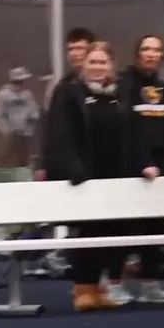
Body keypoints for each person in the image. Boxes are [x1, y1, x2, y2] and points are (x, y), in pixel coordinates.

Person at [45, 41, 134, 311]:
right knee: (89, 233)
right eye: (92, 62)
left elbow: (133, 132)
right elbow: (60, 133)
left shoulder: (121, 94)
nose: (97, 67)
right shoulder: (69, 92)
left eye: (102, 62)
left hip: (116, 175)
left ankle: (101, 288)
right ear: (83, 64)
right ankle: (83, 288)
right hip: (83, 176)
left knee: (112, 233)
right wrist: (75, 170)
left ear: (112, 66)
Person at [115, 34, 164, 304]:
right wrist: (143, 163)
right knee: (128, 229)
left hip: (161, 168)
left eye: (156, 50)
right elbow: (127, 129)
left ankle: (151, 285)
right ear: (138, 54)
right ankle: (116, 284)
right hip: (134, 167)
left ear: (162, 56)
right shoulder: (126, 85)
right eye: (146, 49)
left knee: (157, 227)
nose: (151, 54)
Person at [36, 27, 96, 181]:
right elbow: (50, 128)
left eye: (79, 48)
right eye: (70, 49)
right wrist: (42, 164)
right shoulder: (62, 88)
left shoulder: (110, 86)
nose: (74, 53)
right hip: (70, 170)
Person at [0, 66, 40, 171]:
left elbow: (34, 110)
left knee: (25, 159)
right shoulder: (3, 95)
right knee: (7, 158)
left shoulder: (27, 94)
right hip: (11, 133)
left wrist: (33, 117)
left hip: (27, 133)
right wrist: (6, 130)